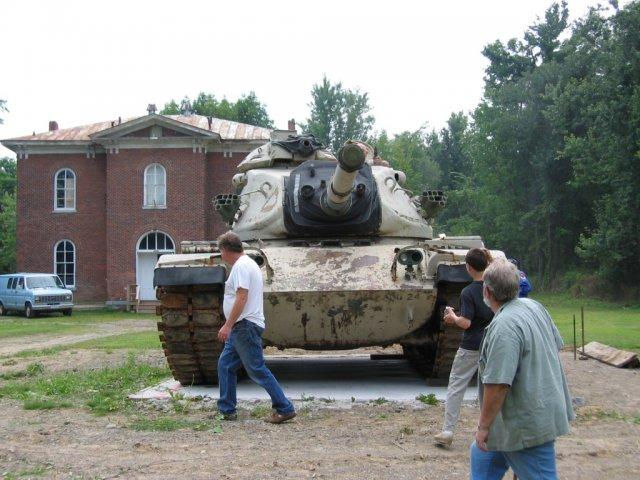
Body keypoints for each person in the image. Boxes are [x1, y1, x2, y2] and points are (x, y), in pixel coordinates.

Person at [470, 260, 574, 480]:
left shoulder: (504, 327)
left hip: (526, 425)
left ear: (487, 291)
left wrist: (483, 427)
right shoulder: (534, 306)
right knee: (480, 454)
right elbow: (555, 345)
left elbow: (498, 384)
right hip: (518, 418)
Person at [216, 231, 296, 424]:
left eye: (221, 251)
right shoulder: (248, 263)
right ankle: (227, 410)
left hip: (244, 325)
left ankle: (285, 408)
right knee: (225, 365)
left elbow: (241, 297)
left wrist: (227, 325)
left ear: (225, 250)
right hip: (242, 326)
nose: (221, 255)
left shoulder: (241, 266)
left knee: (256, 369)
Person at [434, 248, 495, 447]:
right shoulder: (494, 287)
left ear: (468, 267)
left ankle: (448, 430)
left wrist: (453, 317)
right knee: (488, 386)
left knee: (456, 385)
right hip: (492, 343)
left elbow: (466, 323)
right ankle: (490, 430)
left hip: (471, 346)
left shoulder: (468, 292)